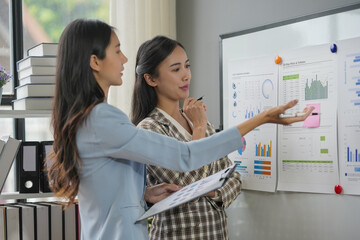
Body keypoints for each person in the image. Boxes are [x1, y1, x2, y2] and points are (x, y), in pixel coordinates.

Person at [47, 18, 313, 240]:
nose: (125, 58)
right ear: (95, 61)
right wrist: (262, 118)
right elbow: (186, 158)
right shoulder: (103, 118)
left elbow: (106, 187)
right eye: (117, 51)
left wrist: (144, 195)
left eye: (187, 66)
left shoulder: (89, 118)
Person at [131, 35, 241, 239]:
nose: (186, 76)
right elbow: (187, 181)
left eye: (187, 66)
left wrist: (216, 193)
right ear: (151, 79)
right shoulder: (149, 128)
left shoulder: (198, 120)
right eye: (175, 69)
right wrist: (199, 129)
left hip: (215, 233)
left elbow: (233, 176)